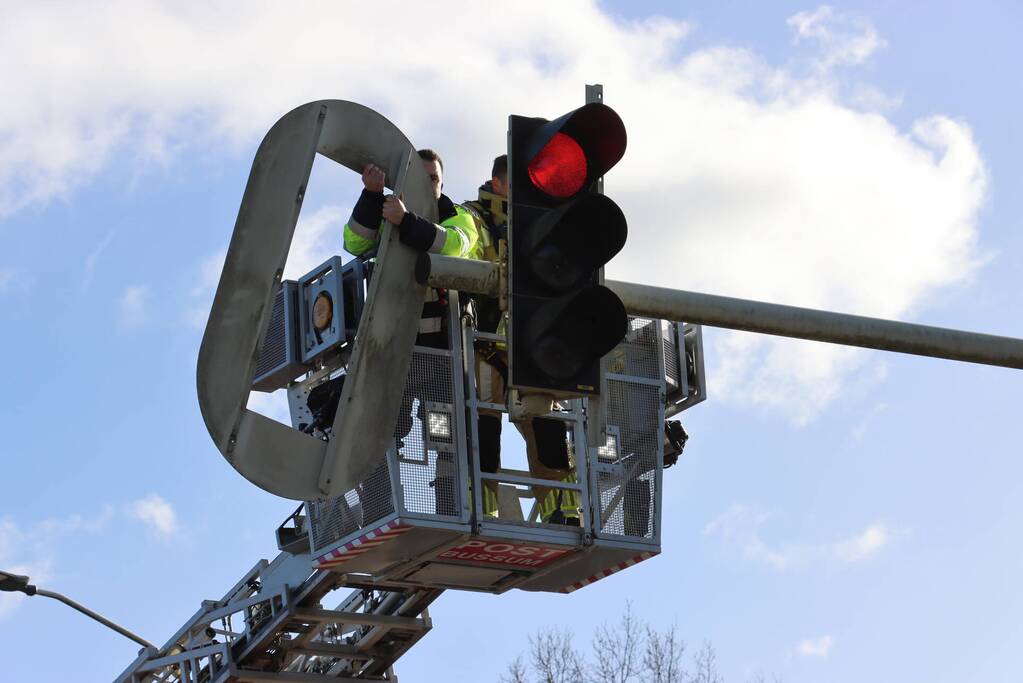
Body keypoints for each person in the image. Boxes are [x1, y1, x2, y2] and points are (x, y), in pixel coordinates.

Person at [343, 149, 482, 517]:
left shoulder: (461, 218)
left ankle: (451, 511)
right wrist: (372, 196)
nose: (429, 186)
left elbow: (453, 246)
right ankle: (378, 509)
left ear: (442, 184)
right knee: (380, 428)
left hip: (443, 353)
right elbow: (355, 243)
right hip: (394, 349)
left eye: (433, 180)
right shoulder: (387, 211)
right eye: (421, 180)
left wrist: (406, 221)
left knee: (447, 434)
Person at [462, 155, 581, 525]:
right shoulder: (474, 218)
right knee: (484, 422)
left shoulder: (537, 226)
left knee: (548, 427)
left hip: (530, 351)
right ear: (496, 183)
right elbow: (460, 243)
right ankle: (484, 508)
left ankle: (562, 510)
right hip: (484, 346)